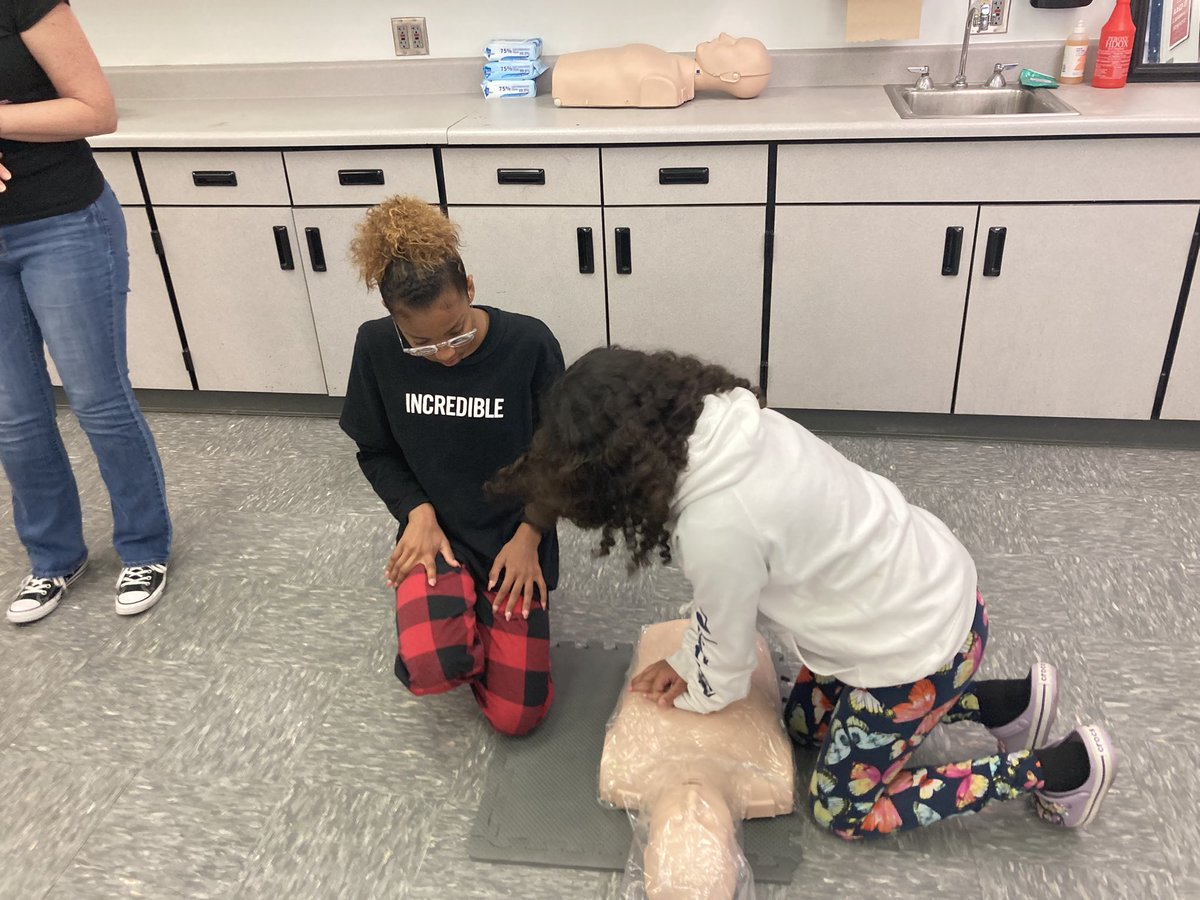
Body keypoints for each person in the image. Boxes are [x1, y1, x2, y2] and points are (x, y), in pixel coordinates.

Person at [490, 346, 1118, 836]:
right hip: (934, 582)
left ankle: (1058, 770)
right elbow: (730, 611)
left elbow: (727, 670)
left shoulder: (717, 525)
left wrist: (695, 682)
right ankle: (1011, 705)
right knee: (803, 724)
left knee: (841, 810)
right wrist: (696, 658)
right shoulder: (726, 417)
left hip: (913, 646)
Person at [339, 196, 564, 737]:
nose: (444, 355)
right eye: (420, 344)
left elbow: (563, 455)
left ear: (470, 286)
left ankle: (482, 616)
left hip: (514, 535)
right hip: (436, 534)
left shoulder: (529, 343)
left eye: (456, 331)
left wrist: (531, 535)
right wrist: (416, 512)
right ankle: (458, 614)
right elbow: (375, 450)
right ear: (392, 316)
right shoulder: (374, 348)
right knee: (434, 667)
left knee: (518, 718)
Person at [2, 0, 171, 625]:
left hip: (62, 222)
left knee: (98, 397)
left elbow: (95, 110)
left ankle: (144, 545)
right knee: (13, 416)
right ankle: (54, 559)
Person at [551, 33, 772, 108]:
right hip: (566, 74)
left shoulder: (665, 83)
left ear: (730, 76)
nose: (725, 36)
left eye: (734, 45)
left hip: (567, 78)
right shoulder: (669, 68)